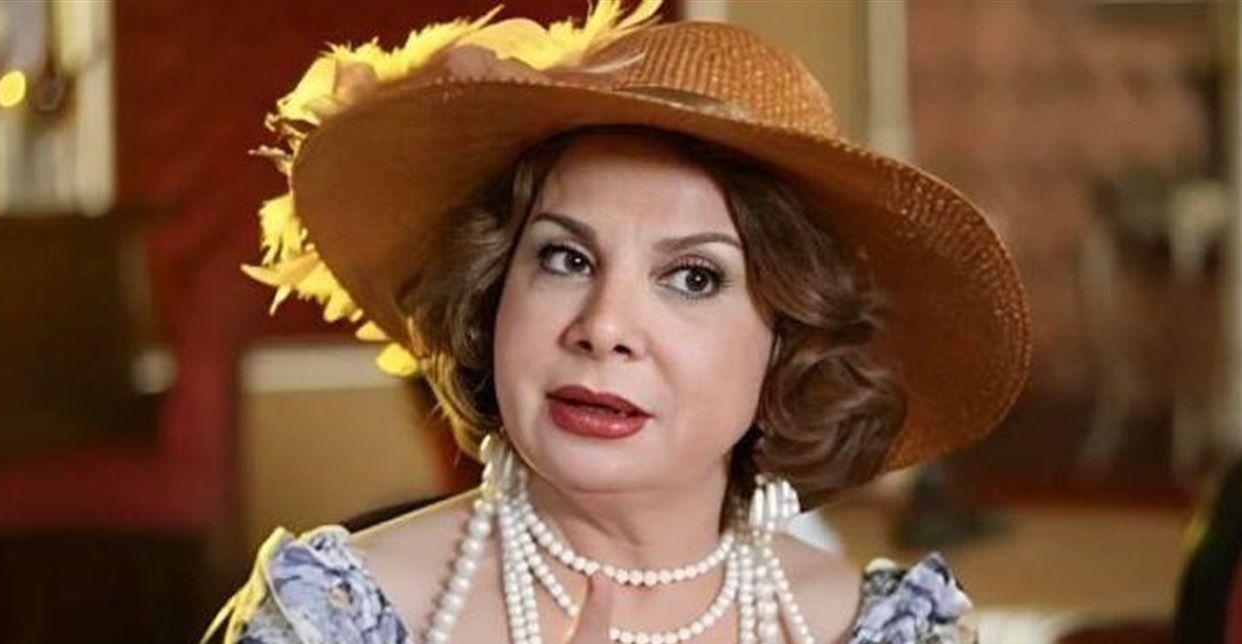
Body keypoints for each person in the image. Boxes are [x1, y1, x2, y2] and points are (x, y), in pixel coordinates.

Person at [203, 1, 1031, 642]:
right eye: (566, 258)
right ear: (493, 292)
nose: (604, 327)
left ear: (789, 341)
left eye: (694, 277)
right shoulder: (331, 619)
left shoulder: (883, 630)